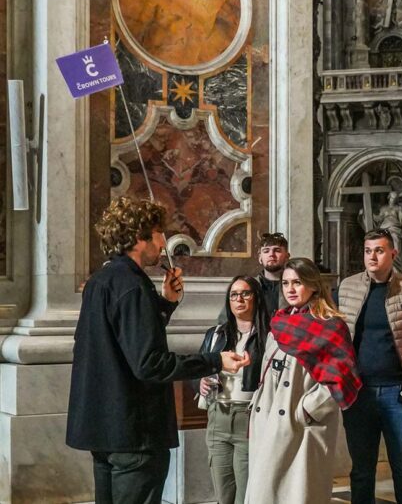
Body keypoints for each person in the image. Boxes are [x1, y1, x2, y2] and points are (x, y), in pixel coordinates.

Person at [66, 197, 249, 504]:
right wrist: (215, 361)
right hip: (134, 431)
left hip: (104, 428)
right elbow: (150, 364)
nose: (164, 241)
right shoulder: (134, 286)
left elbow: (124, 342)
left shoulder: (101, 281)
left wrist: (165, 304)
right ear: (141, 237)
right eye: (159, 232)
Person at [245, 258, 361, 504]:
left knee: (297, 494)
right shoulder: (280, 321)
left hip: (302, 425)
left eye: (297, 282)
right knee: (263, 493)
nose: (290, 289)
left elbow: (342, 377)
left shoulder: (331, 325)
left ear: (313, 285)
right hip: (269, 421)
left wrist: (308, 410)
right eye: (286, 283)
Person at [337, 228, 402, 504]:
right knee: (361, 471)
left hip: (398, 391)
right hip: (359, 392)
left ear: (392, 253)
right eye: (368, 251)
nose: (372, 256)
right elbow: (336, 335)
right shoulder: (347, 288)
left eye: (379, 251)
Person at [198, 276, 271, 504]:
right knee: (223, 492)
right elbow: (198, 367)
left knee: (245, 493)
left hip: (249, 418)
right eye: (233, 294)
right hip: (218, 415)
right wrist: (199, 382)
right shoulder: (216, 334)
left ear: (256, 297)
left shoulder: (269, 336)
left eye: (245, 293)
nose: (239, 299)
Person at [216, 232, 290, 324]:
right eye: (266, 251)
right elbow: (224, 321)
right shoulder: (246, 286)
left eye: (277, 250)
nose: (271, 254)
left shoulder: (297, 287)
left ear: (287, 257)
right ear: (260, 258)